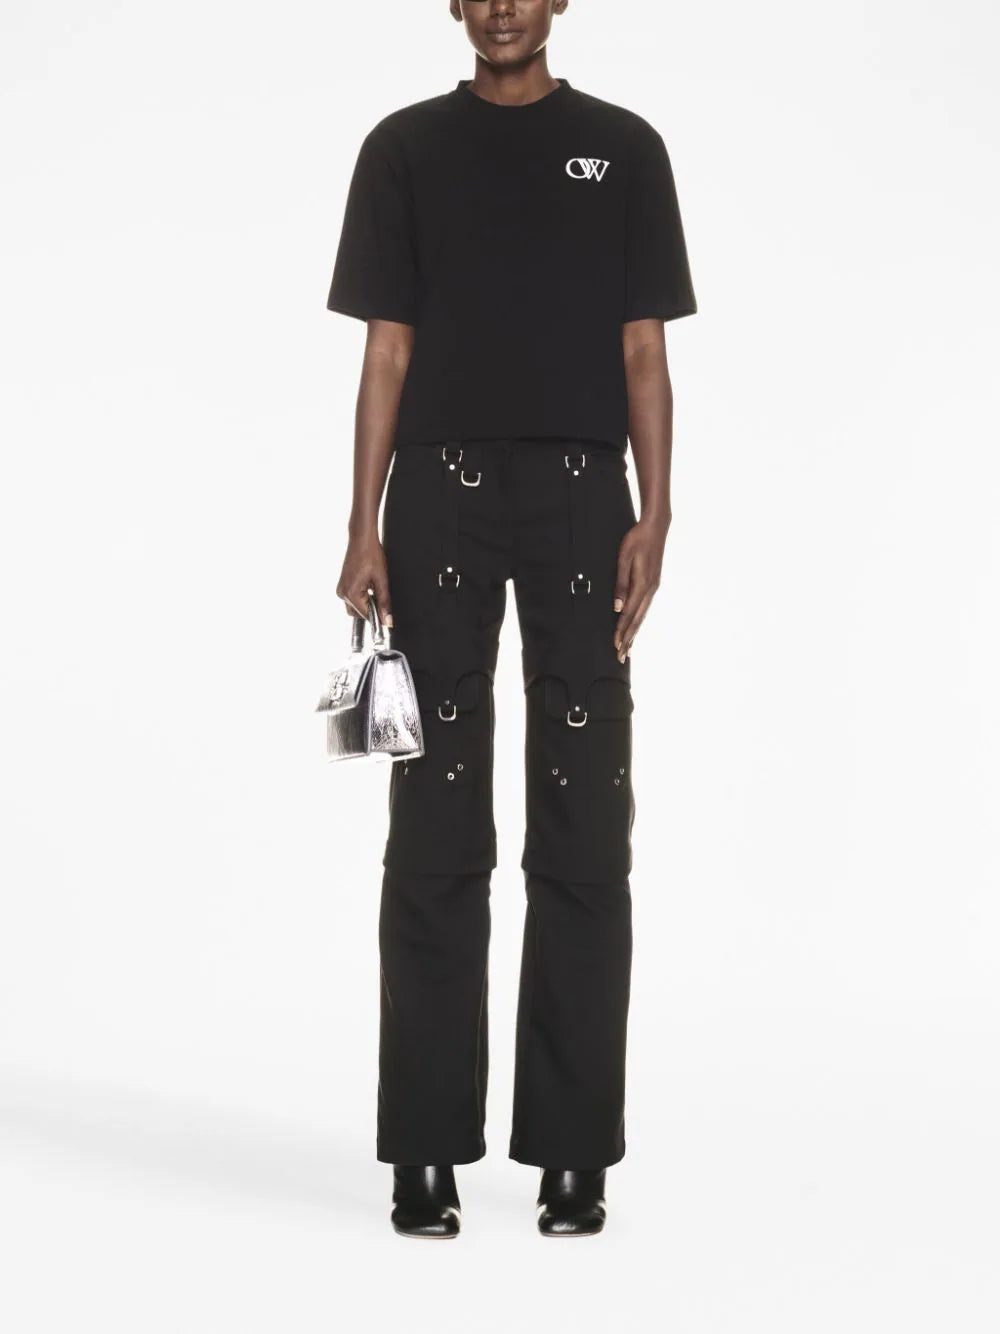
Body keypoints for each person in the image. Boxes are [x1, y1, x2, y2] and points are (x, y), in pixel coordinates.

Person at [327, 0, 696, 1239]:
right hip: (438, 499)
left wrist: (656, 510)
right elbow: (387, 349)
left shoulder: (625, 149)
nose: (499, 8)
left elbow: (641, 349)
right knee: (434, 819)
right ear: (453, 2)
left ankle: (573, 1152)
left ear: (557, 2)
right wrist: (362, 521)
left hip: (588, 500)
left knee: (585, 820)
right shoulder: (403, 149)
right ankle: (424, 1147)